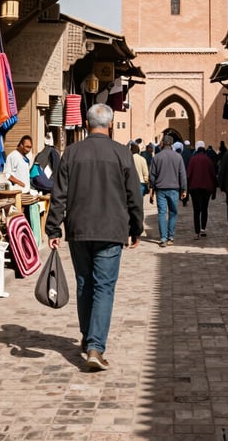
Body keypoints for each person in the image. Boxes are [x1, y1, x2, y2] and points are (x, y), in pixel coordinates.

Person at [46, 104, 144, 371]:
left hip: (79, 229)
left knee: (84, 284)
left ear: (87, 124)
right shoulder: (122, 153)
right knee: (103, 287)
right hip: (111, 230)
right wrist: (137, 227)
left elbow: (59, 195)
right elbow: (134, 195)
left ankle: (89, 336)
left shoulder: (71, 153)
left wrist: (53, 228)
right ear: (110, 125)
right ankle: (95, 347)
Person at [149, 134, 187, 246]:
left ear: (162, 143)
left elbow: (152, 176)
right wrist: (184, 189)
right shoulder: (178, 157)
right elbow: (182, 175)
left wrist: (151, 190)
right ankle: (171, 236)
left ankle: (163, 238)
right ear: (171, 144)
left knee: (161, 213)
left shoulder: (156, 157)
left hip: (160, 189)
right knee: (173, 212)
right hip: (174, 189)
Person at [186, 140, 217, 238]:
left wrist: (186, 189)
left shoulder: (193, 159)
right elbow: (213, 175)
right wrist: (214, 190)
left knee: (196, 210)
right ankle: (203, 229)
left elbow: (188, 175)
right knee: (204, 209)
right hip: (206, 188)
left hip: (194, 188)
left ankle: (197, 232)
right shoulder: (208, 160)